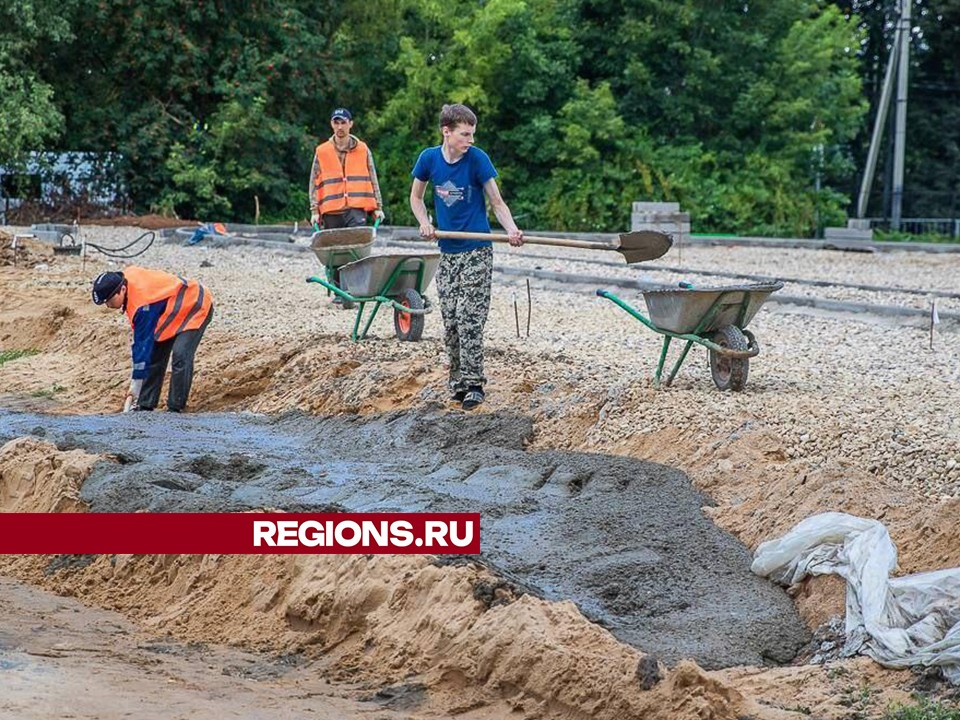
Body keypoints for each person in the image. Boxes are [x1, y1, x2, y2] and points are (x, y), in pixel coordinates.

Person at [409, 103, 524, 411]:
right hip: (447, 253)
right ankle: (458, 383)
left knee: (468, 318)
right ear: (446, 132)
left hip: (477, 250)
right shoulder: (428, 159)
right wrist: (425, 222)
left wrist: (511, 229)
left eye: (472, 134)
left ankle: (474, 384)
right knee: (450, 321)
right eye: (465, 134)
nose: (470, 140)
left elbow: (497, 202)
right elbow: (416, 197)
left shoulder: (477, 159)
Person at [91, 267, 213, 413]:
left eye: (109, 300)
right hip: (168, 314)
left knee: (181, 355)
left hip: (195, 305)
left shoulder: (143, 305)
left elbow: (142, 348)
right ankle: (145, 405)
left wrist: (135, 386)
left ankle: (175, 409)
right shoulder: (125, 279)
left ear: (122, 289)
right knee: (154, 356)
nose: (108, 305)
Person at [309, 107, 386, 230]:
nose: (340, 127)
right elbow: (313, 182)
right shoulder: (322, 151)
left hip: (356, 209)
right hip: (331, 211)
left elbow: (373, 179)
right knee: (334, 242)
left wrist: (378, 207)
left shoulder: (363, 149)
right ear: (332, 124)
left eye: (343, 122)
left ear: (350, 124)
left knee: (357, 240)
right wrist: (314, 211)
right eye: (336, 123)